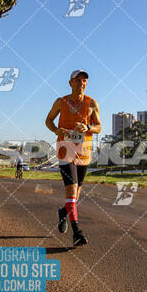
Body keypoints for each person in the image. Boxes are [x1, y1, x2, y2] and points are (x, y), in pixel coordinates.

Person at [45, 70, 101, 247]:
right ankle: (77, 233)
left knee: (76, 196)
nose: (81, 83)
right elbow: (48, 120)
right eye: (78, 80)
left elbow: (99, 127)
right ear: (70, 83)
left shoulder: (92, 103)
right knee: (71, 190)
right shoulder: (60, 102)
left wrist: (87, 127)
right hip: (65, 150)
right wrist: (55, 130)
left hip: (84, 153)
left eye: (84, 80)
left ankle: (63, 212)